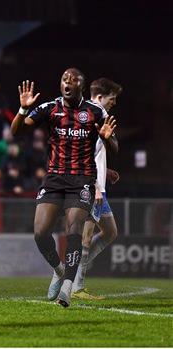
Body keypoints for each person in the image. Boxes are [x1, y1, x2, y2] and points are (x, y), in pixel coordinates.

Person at [10, 69, 117, 307]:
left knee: (74, 230)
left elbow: (115, 145)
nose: (67, 83)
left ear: (82, 85)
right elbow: (16, 131)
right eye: (64, 80)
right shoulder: (50, 108)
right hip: (55, 179)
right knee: (40, 232)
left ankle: (68, 288)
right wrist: (22, 109)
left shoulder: (95, 111)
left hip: (82, 180)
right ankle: (59, 270)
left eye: (73, 80)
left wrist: (108, 138)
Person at [72, 78, 121, 300]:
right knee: (85, 237)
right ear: (100, 97)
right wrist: (95, 186)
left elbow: (92, 153)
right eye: (112, 98)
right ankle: (76, 285)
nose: (114, 103)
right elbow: (82, 156)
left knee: (110, 232)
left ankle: (73, 268)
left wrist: (106, 170)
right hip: (91, 187)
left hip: (98, 184)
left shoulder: (95, 115)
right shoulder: (93, 116)